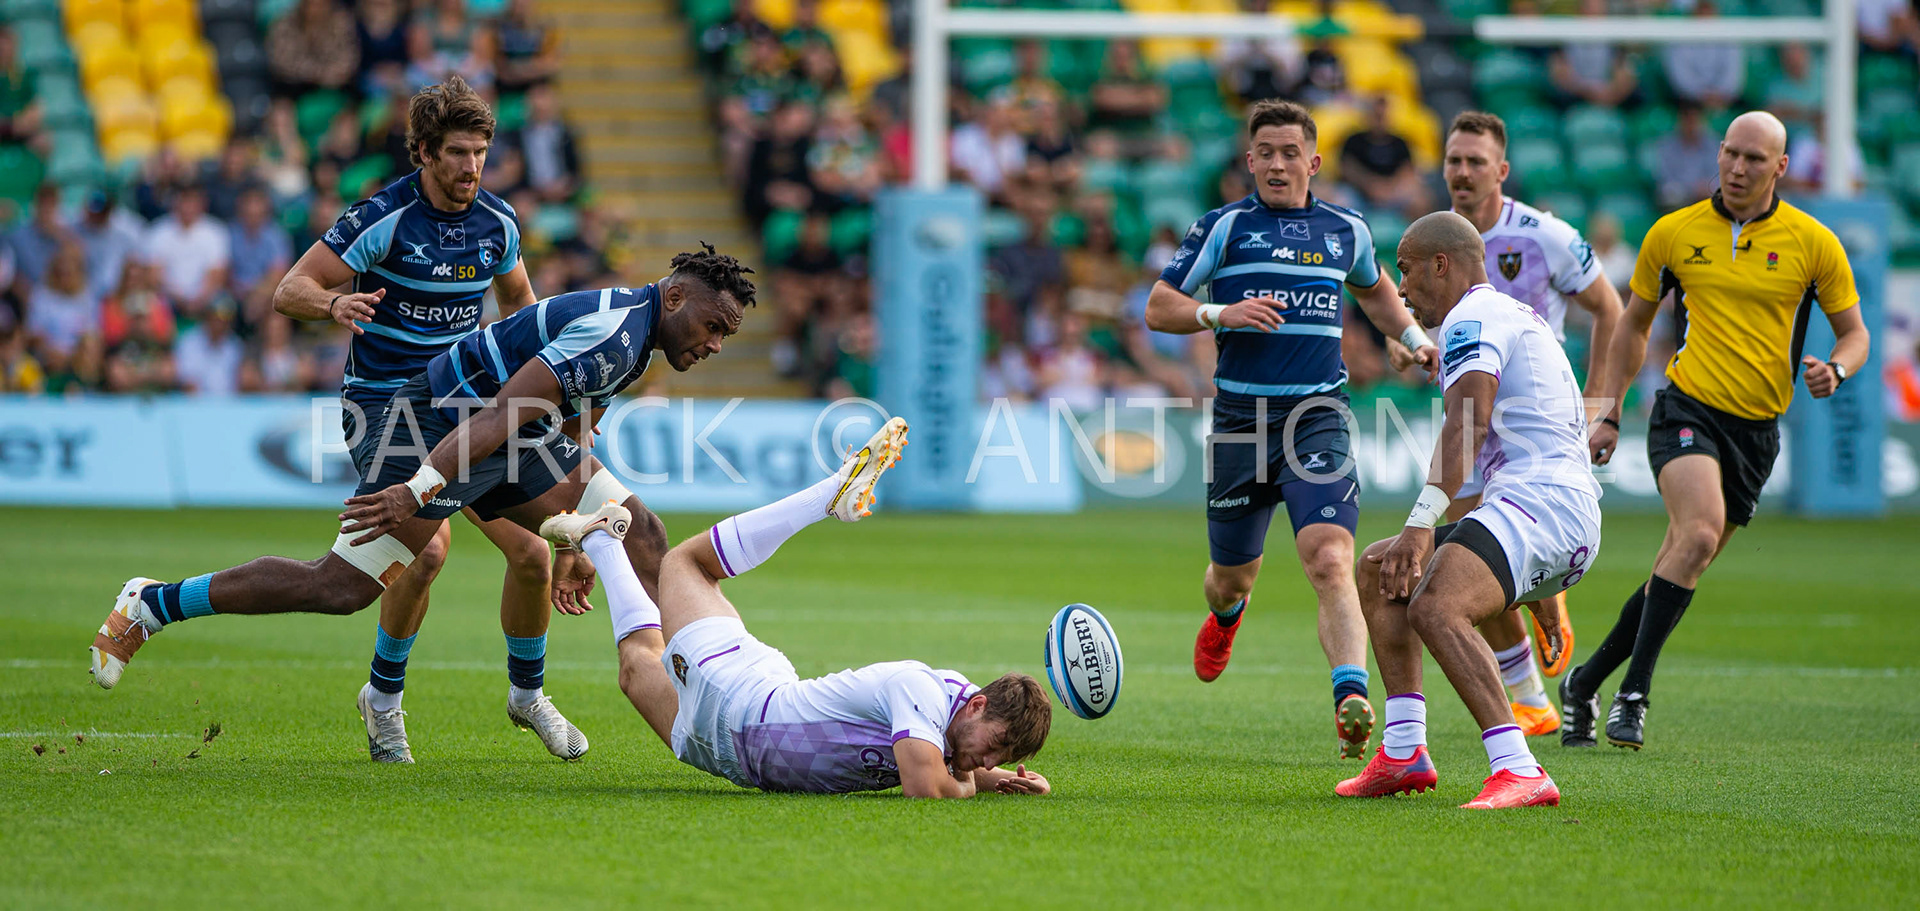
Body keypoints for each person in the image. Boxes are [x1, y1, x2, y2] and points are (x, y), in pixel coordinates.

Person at [87, 248, 756, 759]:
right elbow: (497, 415)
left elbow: (576, 425)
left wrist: (581, 536)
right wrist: (417, 487)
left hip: (508, 435)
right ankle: (152, 602)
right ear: (674, 297)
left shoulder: (640, 333)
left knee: (639, 532)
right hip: (430, 425)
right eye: (713, 324)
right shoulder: (613, 331)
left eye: (727, 334)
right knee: (340, 586)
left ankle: (707, 689)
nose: (716, 343)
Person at [265, 76, 564, 763]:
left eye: (481, 153)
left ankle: (528, 694)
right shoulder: (382, 218)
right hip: (385, 403)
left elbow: (523, 314)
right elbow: (291, 289)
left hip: (464, 404)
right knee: (426, 551)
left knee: (534, 552)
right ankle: (385, 698)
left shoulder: (498, 224)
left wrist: (546, 390)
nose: (471, 167)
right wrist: (334, 306)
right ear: (424, 153)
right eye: (458, 153)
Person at [1561, 111, 1870, 750]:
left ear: (1780, 167)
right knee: (1697, 534)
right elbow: (1634, 324)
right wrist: (1611, 409)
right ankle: (1633, 696)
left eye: (1754, 159)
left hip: (1757, 432)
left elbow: (1856, 334)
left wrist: (1837, 369)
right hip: (1686, 409)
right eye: (1730, 153)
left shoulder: (1814, 243)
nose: (1736, 167)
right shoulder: (1673, 233)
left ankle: (1584, 684)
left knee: (1678, 567)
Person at [1145, 100, 1439, 759]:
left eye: (1289, 152)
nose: (1278, 163)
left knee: (1331, 558)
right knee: (1231, 577)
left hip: (1316, 417)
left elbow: (1376, 291)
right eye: (1265, 152)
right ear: (1249, 162)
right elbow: (1159, 306)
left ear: (1314, 160)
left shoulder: (1345, 229)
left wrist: (1416, 338)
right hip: (1240, 423)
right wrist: (1221, 312)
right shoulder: (1223, 229)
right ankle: (1225, 618)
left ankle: (1350, 696)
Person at [585, 416, 1054, 797]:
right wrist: (974, 785)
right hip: (735, 697)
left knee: (635, 667)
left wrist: (1002, 780)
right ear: (976, 705)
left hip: (728, 754)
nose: (989, 762)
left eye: (1000, 759)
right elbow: (928, 786)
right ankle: (825, 496)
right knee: (683, 564)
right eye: (995, 747)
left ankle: (602, 537)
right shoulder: (921, 689)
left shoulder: (950, 724)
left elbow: (952, 758)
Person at [1338, 211, 1600, 809]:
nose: (1399, 289)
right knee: (1382, 572)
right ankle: (1404, 753)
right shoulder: (1504, 314)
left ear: (1441, 264)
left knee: (1436, 605)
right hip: (1548, 508)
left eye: (1404, 270)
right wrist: (1535, 588)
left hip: (1544, 505)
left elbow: (1468, 423)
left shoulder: (1473, 317)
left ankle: (1519, 768)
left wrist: (1420, 523)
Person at [1441, 111, 1626, 737]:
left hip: (1530, 427)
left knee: (1469, 549)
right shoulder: (1439, 238)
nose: (1462, 172)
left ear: (1502, 170)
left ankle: (1546, 599)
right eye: (1453, 160)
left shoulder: (1544, 236)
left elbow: (1610, 308)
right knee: (1461, 541)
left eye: (1474, 161)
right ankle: (1531, 701)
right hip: (1470, 405)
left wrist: (1601, 405)